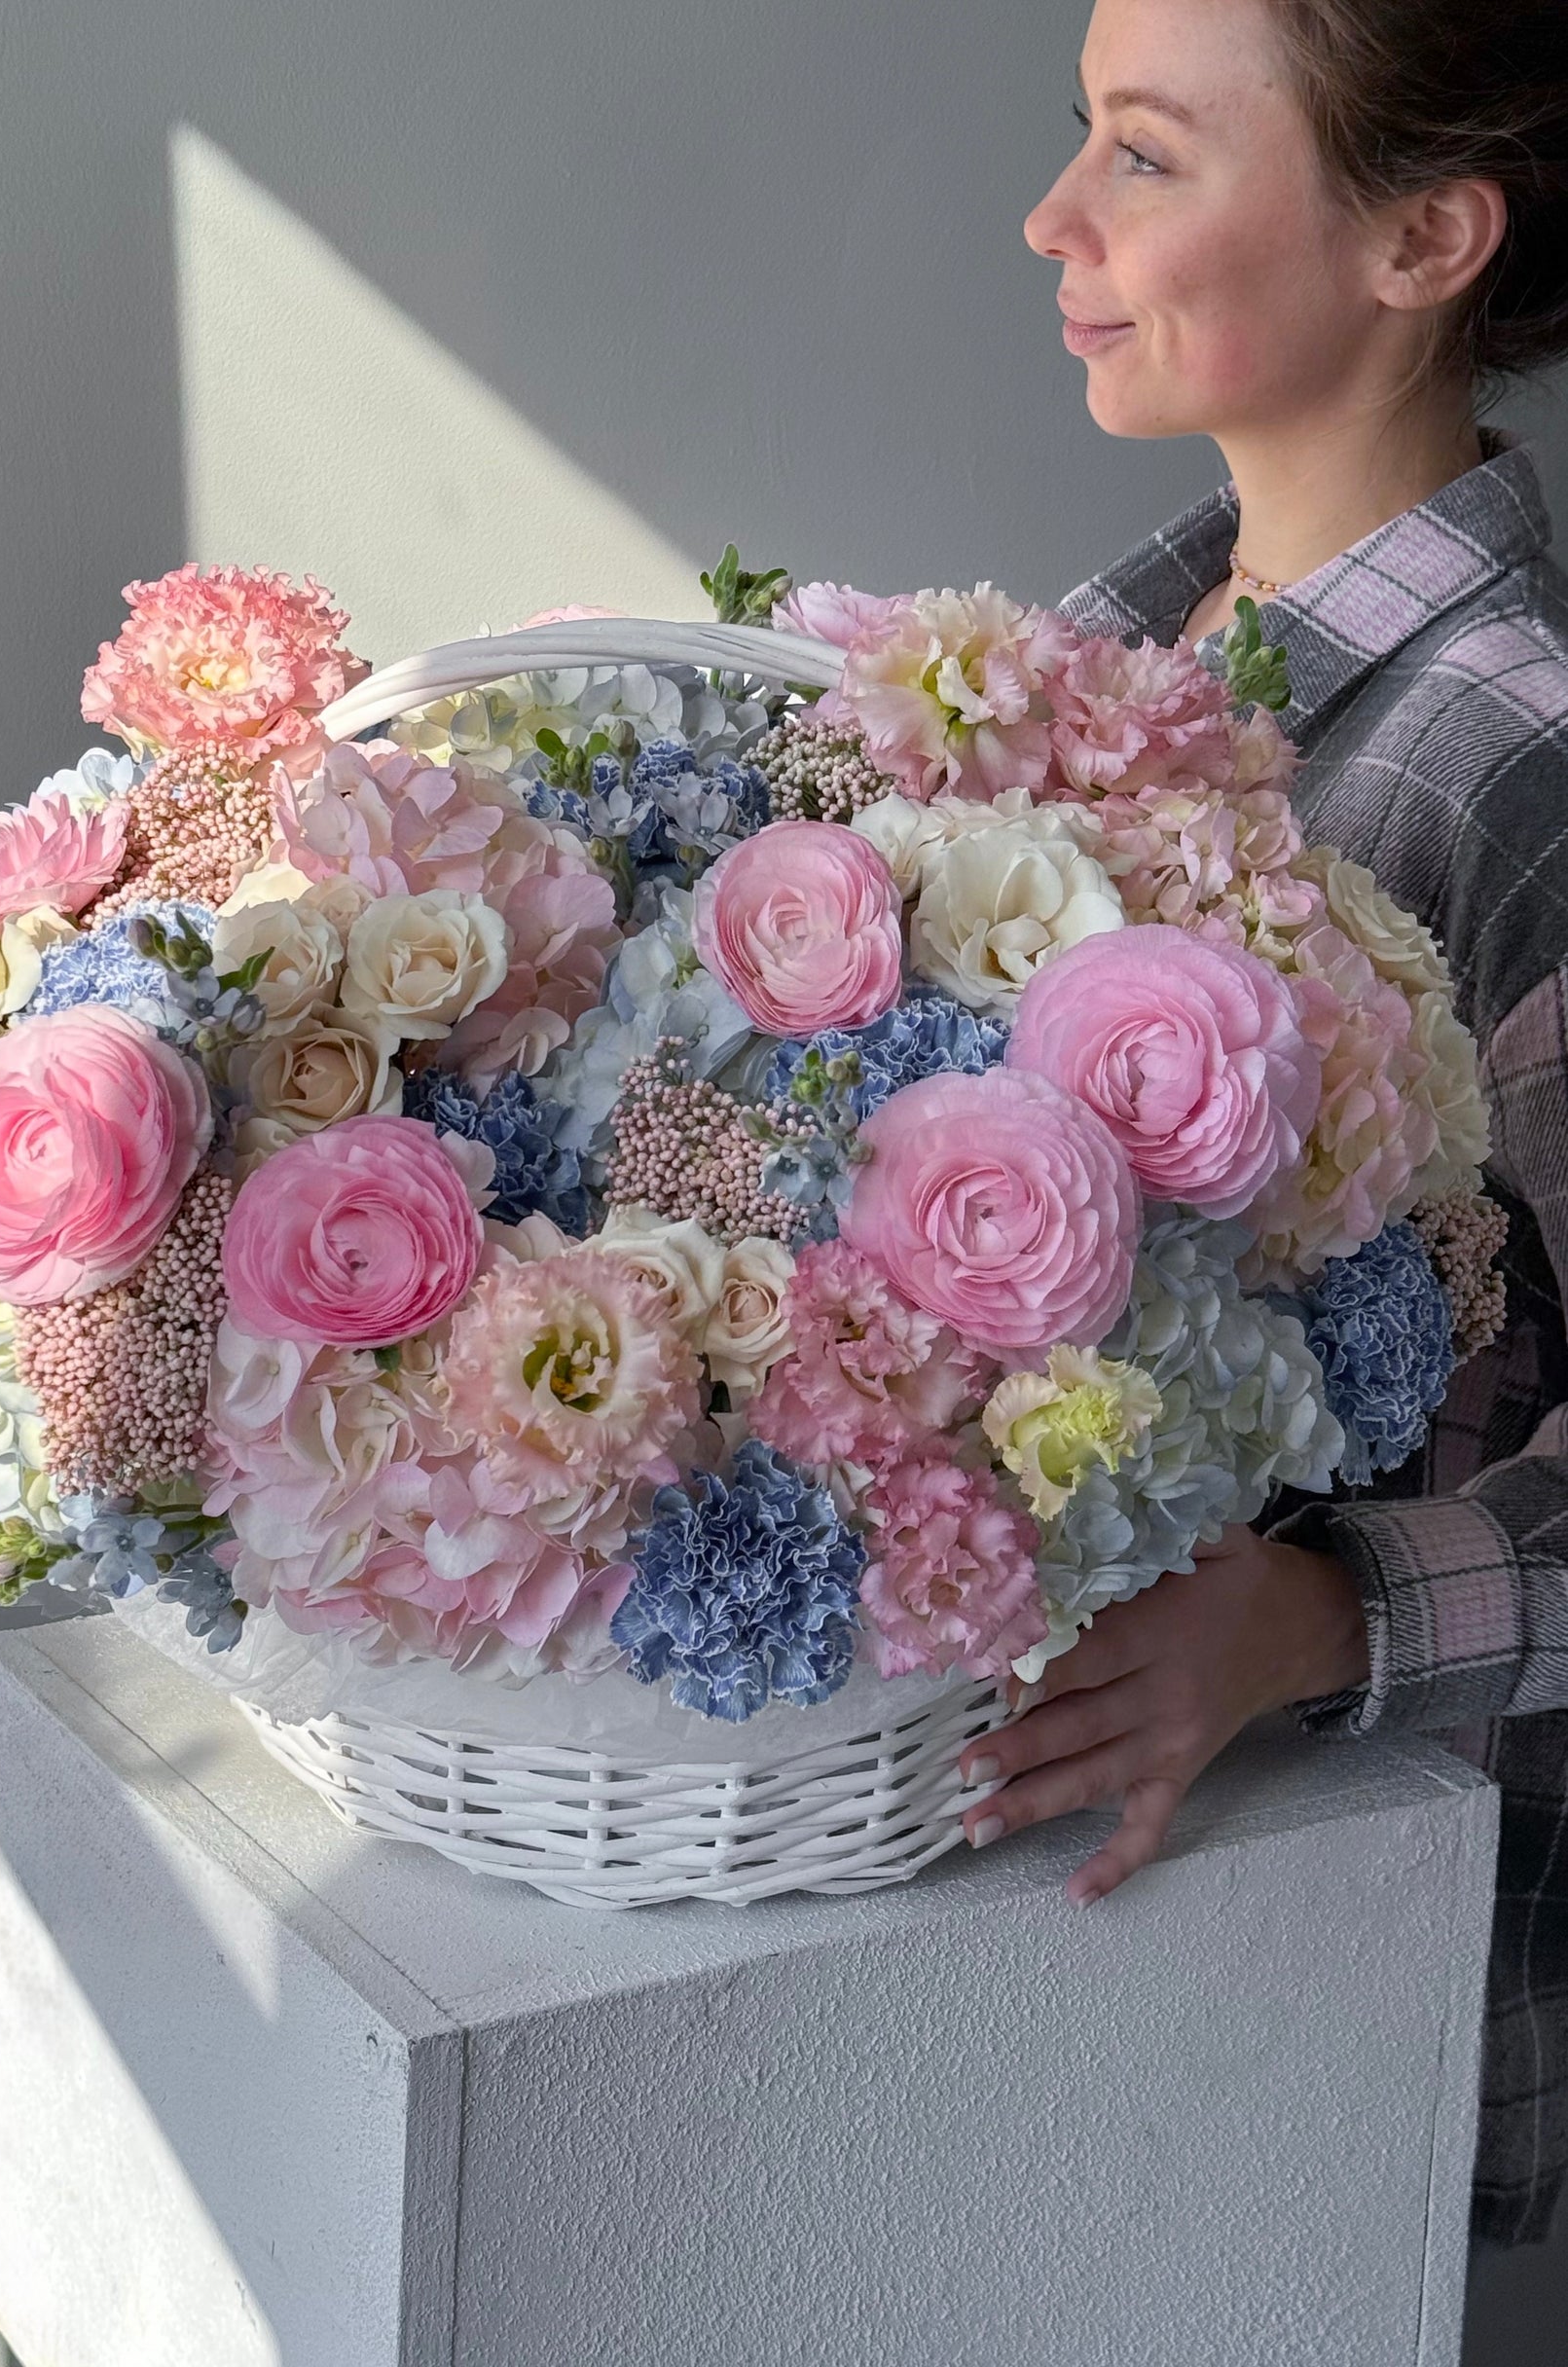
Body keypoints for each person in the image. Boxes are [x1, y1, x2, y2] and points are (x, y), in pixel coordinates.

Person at [961, 0, 1568, 2247]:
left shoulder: (1511, 768)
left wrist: (1314, 1618)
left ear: (1423, 234)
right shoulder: (1076, 666)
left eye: (1141, 158)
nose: (1049, 222)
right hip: (1021, 1906)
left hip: (1317, 1968)